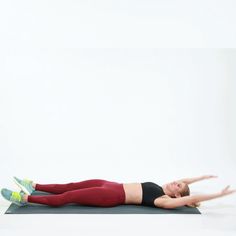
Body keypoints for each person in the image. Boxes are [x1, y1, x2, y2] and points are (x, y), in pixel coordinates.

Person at [1, 175, 235, 208]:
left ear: (176, 196)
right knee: (71, 185)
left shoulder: (163, 200)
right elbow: (186, 184)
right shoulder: (164, 187)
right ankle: (36, 186)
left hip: (112, 196)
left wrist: (219, 194)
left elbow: (191, 197)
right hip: (110, 184)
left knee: (68, 198)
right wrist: (203, 176)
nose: (177, 182)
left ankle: (25, 199)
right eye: (178, 182)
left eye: (178, 187)